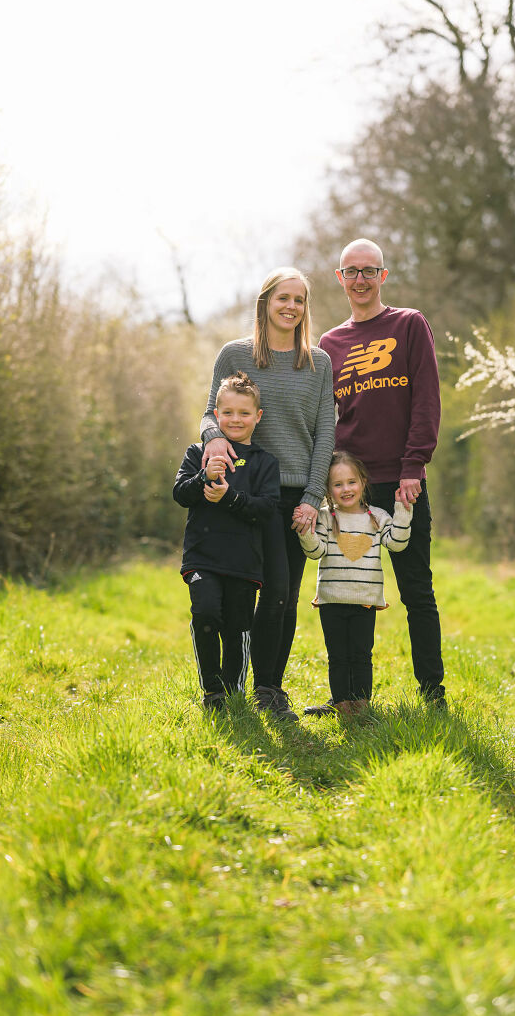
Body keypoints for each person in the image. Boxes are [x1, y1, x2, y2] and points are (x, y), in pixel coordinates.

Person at [200, 268, 335, 720]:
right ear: (265, 303)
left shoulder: (317, 363)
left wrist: (313, 497)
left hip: (292, 497)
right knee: (239, 593)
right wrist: (214, 437)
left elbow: (325, 434)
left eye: (299, 300)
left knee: (282, 594)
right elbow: (209, 413)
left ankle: (270, 690)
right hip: (240, 492)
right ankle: (223, 686)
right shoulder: (234, 354)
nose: (291, 307)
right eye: (283, 298)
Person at [318, 238, 446, 708]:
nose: (360, 279)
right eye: (351, 271)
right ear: (340, 279)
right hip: (351, 491)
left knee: (416, 591)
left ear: (383, 276)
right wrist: (326, 485)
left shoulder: (409, 325)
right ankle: (351, 697)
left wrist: (414, 465)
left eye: (369, 270)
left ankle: (433, 693)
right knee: (346, 595)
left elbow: (426, 400)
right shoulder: (329, 345)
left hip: (402, 484)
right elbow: (324, 422)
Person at [173, 372, 280, 711]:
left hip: (244, 563)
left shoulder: (265, 462)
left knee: (237, 628)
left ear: (257, 417)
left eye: (244, 413)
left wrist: (230, 497)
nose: (236, 420)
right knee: (205, 614)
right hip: (202, 558)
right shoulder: (198, 453)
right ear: (216, 415)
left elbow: (266, 509)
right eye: (228, 413)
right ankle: (212, 691)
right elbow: (180, 494)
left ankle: (233, 693)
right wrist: (203, 477)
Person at [298, 451, 412, 717]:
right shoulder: (326, 517)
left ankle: (361, 707)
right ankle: (341, 706)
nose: (346, 489)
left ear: (362, 481)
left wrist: (403, 511)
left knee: (361, 655)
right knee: (337, 655)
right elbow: (316, 552)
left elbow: (397, 543)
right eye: (337, 485)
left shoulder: (378, 516)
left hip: (365, 600)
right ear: (328, 489)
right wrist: (306, 533)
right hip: (331, 600)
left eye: (351, 482)